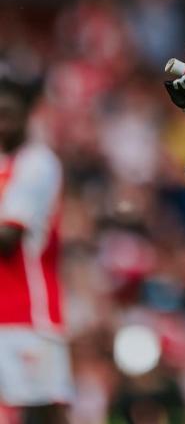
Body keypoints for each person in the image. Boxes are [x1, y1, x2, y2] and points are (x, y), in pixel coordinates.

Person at [0, 77, 73, 424]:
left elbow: (7, 239)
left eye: (9, 114)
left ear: (27, 115)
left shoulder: (38, 163)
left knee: (41, 412)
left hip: (29, 313)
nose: (2, 123)